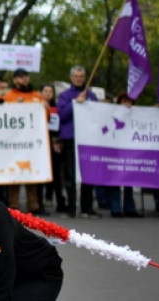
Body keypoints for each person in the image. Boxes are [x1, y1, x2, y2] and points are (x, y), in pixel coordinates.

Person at [57, 65, 99, 219]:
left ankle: (87, 207)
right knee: (70, 175)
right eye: (76, 76)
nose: (79, 79)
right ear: (71, 78)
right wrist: (75, 102)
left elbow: (97, 114)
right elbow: (62, 115)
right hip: (70, 139)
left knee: (88, 173)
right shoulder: (65, 96)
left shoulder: (91, 96)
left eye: (81, 76)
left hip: (87, 139)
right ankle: (72, 207)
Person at [3, 69, 46, 216]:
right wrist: (15, 104)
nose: (24, 79)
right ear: (15, 80)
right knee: (15, 170)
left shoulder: (36, 96)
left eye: (26, 76)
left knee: (31, 171)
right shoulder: (9, 96)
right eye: (21, 77)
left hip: (32, 140)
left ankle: (33, 204)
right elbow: (3, 115)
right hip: (14, 140)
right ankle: (13, 205)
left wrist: (45, 109)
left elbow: (44, 118)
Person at [105, 93, 140, 218]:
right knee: (115, 179)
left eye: (130, 101)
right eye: (124, 100)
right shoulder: (113, 114)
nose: (127, 103)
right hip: (115, 151)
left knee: (129, 180)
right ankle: (115, 208)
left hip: (129, 151)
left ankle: (129, 208)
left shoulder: (137, 115)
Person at [40, 84, 65, 214]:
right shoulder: (36, 106)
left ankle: (60, 201)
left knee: (56, 174)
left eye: (50, 91)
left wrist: (57, 141)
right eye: (45, 91)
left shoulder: (56, 108)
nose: (48, 93)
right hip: (40, 145)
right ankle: (43, 200)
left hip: (53, 143)